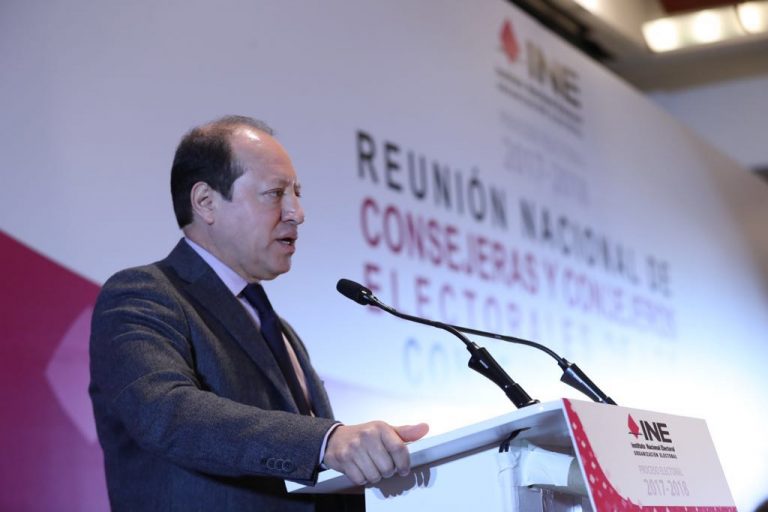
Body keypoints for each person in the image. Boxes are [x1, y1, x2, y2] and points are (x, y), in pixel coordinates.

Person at [89, 115, 429, 511]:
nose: (297, 213)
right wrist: (326, 442)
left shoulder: (279, 330)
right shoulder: (143, 295)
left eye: (297, 194)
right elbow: (167, 414)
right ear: (206, 202)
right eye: (275, 193)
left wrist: (375, 465)